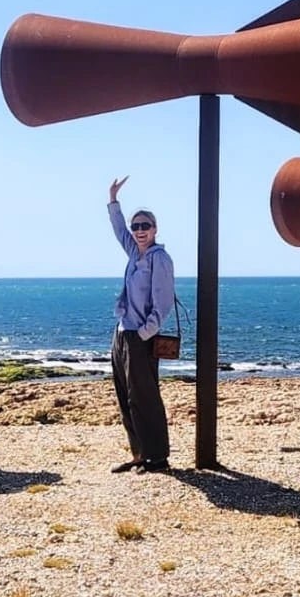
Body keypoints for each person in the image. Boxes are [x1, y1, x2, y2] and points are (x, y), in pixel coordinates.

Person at [106, 177, 174, 473]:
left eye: (145, 225)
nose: (139, 231)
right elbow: (118, 230)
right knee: (126, 396)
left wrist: (145, 333)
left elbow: (163, 303)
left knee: (145, 397)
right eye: (136, 226)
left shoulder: (160, 259)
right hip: (123, 333)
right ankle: (138, 454)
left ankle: (157, 457)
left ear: (155, 229)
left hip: (140, 337)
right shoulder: (134, 253)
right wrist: (113, 199)